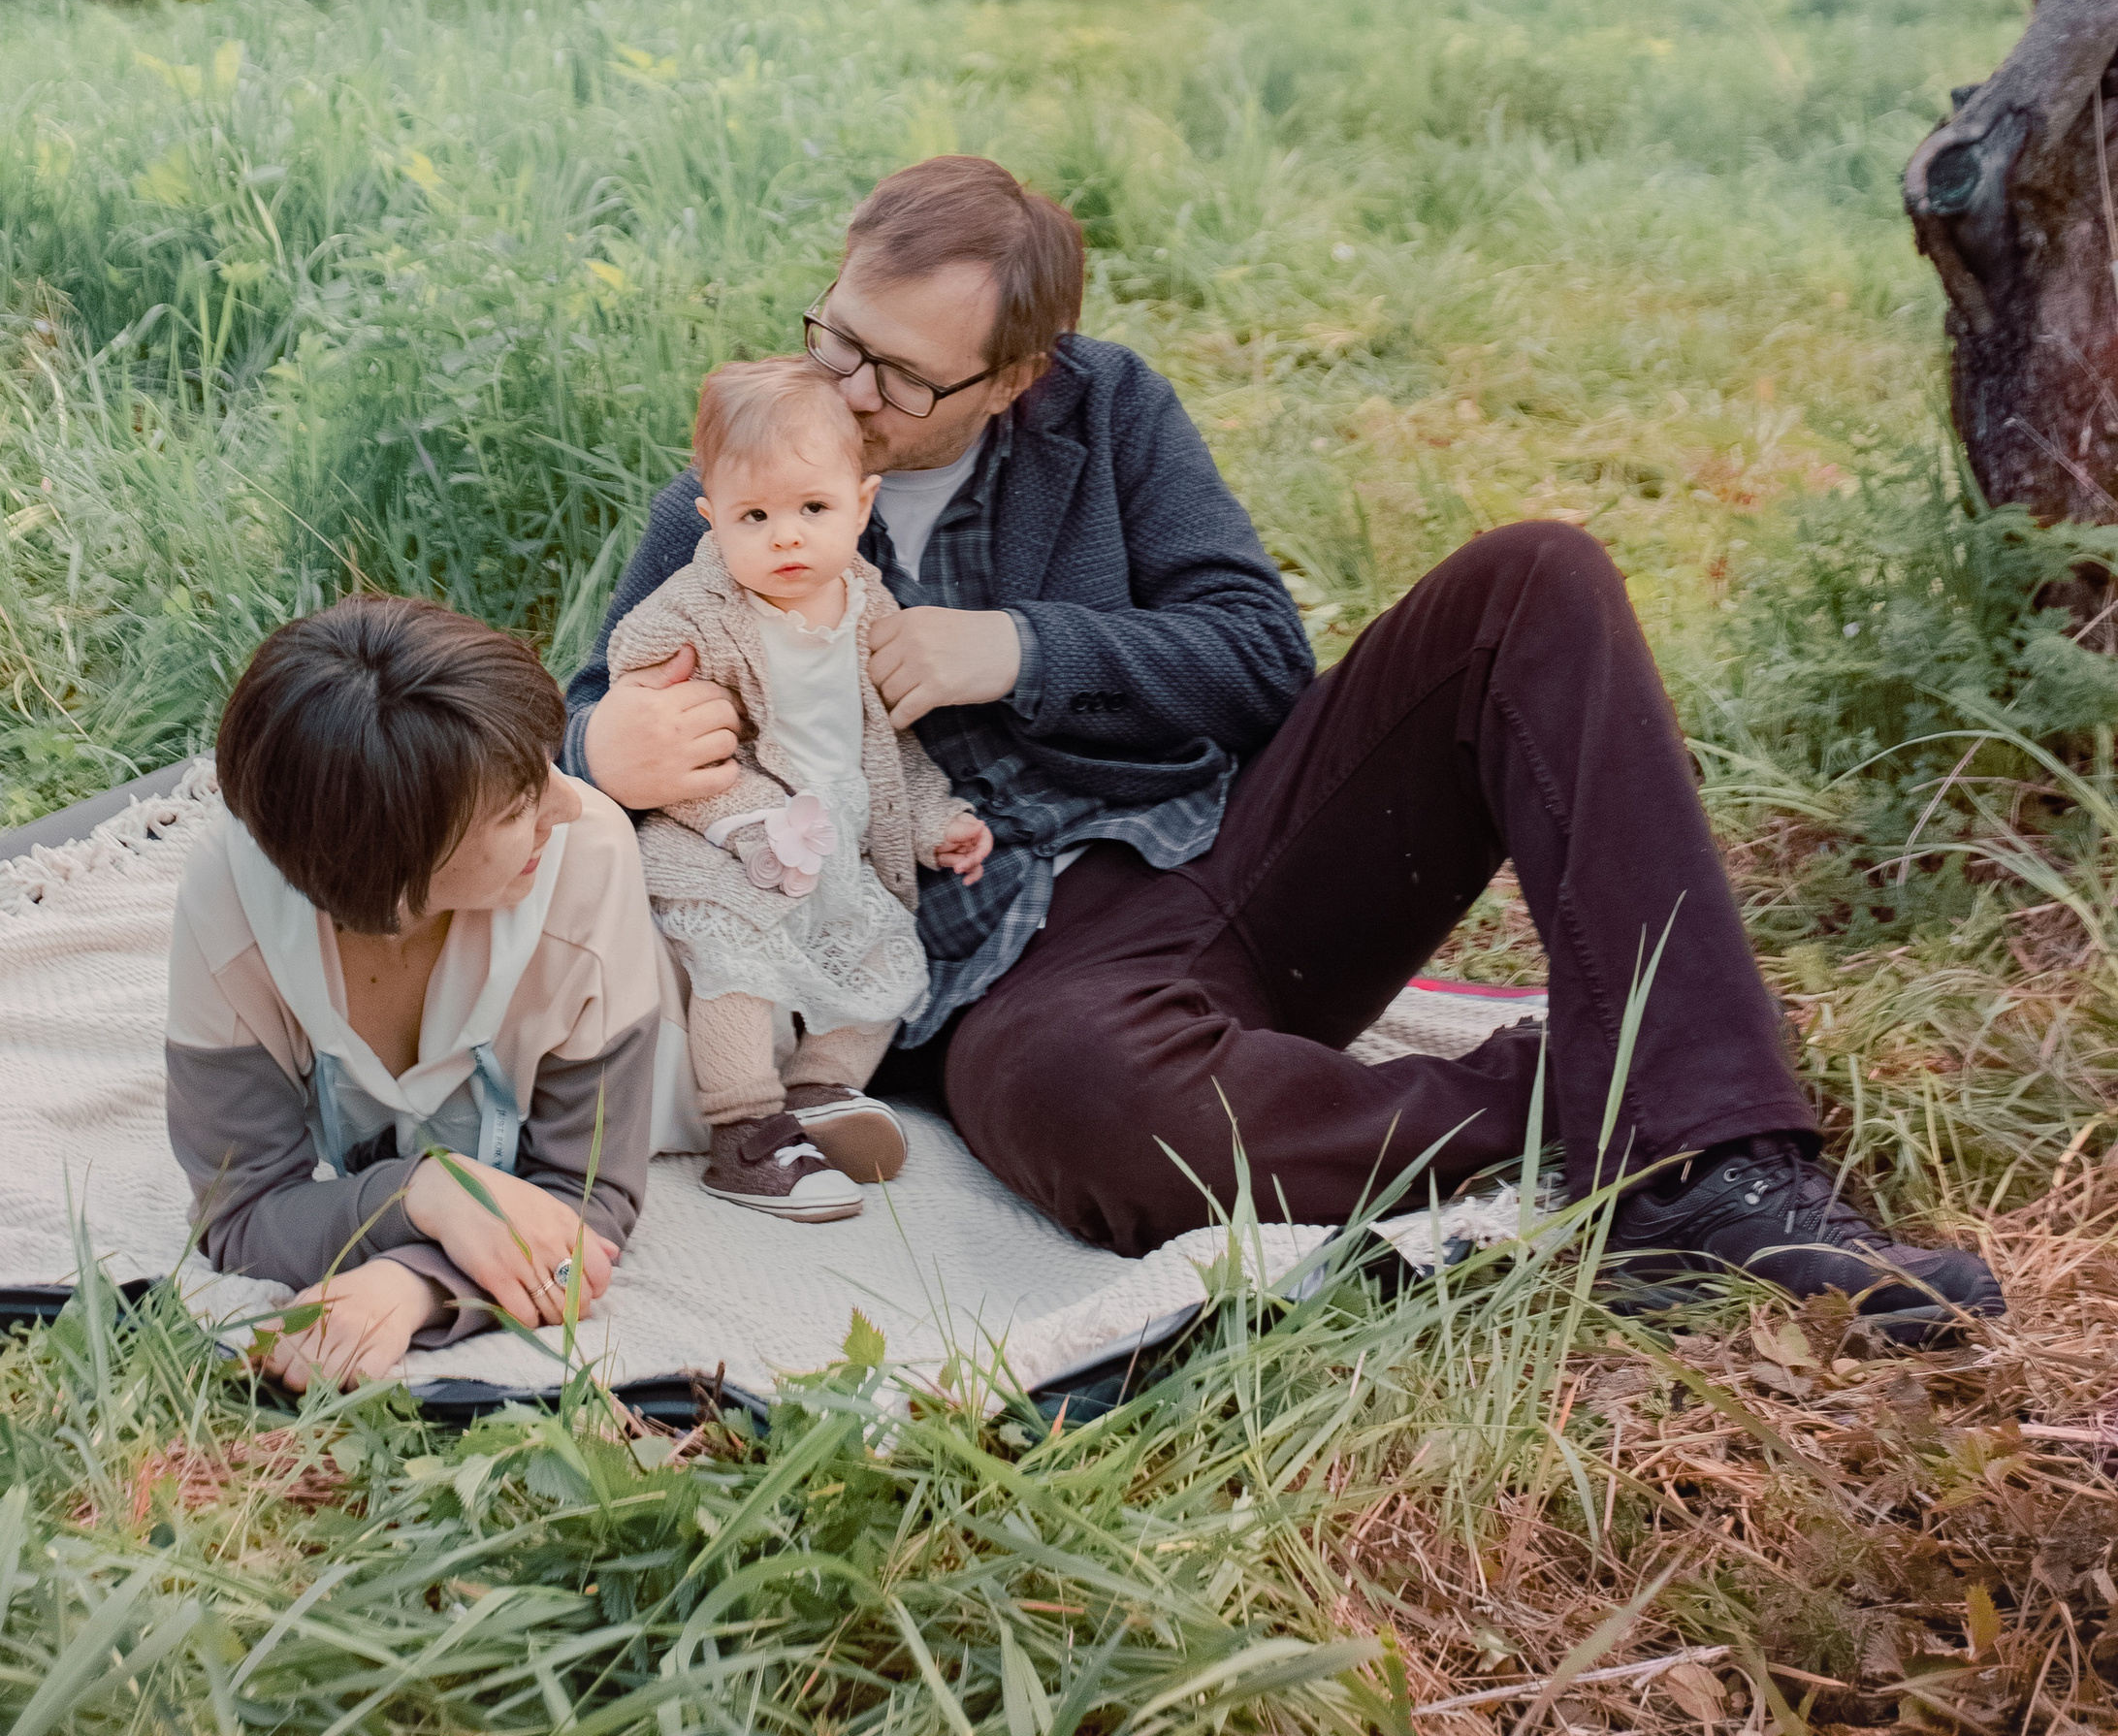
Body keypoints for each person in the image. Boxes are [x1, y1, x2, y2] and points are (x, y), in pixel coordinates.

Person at [566, 154, 2003, 1344]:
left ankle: (1730, 1177)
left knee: (1538, 578)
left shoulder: (1107, 413)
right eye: (833, 336)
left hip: (1230, 864)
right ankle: (1629, 1090)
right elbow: (584, 731)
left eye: (897, 375)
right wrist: (609, 746)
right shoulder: (742, 496)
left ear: (1016, 379)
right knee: (1101, 1127)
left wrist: (1011, 648)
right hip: (1008, 975)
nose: (847, 391)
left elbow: (1261, 661)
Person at [170, 596, 661, 1391]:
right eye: (515, 810)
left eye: (545, 766)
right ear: (390, 875)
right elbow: (240, 1213)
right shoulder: (231, 903)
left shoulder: (587, 856)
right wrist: (418, 1191)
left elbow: (587, 1198)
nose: (567, 804)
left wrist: (415, 1285)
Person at [608, 355, 992, 1220]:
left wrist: (935, 822)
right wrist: (744, 820)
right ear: (711, 520)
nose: (785, 537)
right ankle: (744, 1133)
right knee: (734, 963)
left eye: (812, 509)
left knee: (888, 961)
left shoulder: (866, 605)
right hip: (726, 841)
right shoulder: (695, 612)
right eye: (755, 515)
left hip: (841, 845)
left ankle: (821, 1092)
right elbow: (646, 706)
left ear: (861, 504)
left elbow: (893, 746)